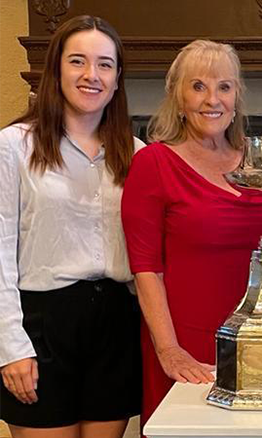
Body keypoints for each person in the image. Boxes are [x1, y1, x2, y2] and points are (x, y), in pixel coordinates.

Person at [121, 40, 262, 428]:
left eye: (224, 87)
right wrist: (169, 350)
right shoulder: (153, 163)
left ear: (237, 97)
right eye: (198, 86)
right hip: (188, 346)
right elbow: (145, 269)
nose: (212, 99)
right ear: (178, 97)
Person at [0, 15, 142, 438]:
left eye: (104, 64)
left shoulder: (137, 154)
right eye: (78, 61)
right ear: (56, 71)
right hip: (42, 325)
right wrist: (10, 347)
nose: (91, 75)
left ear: (117, 80)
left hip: (115, 322)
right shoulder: (14, 147)